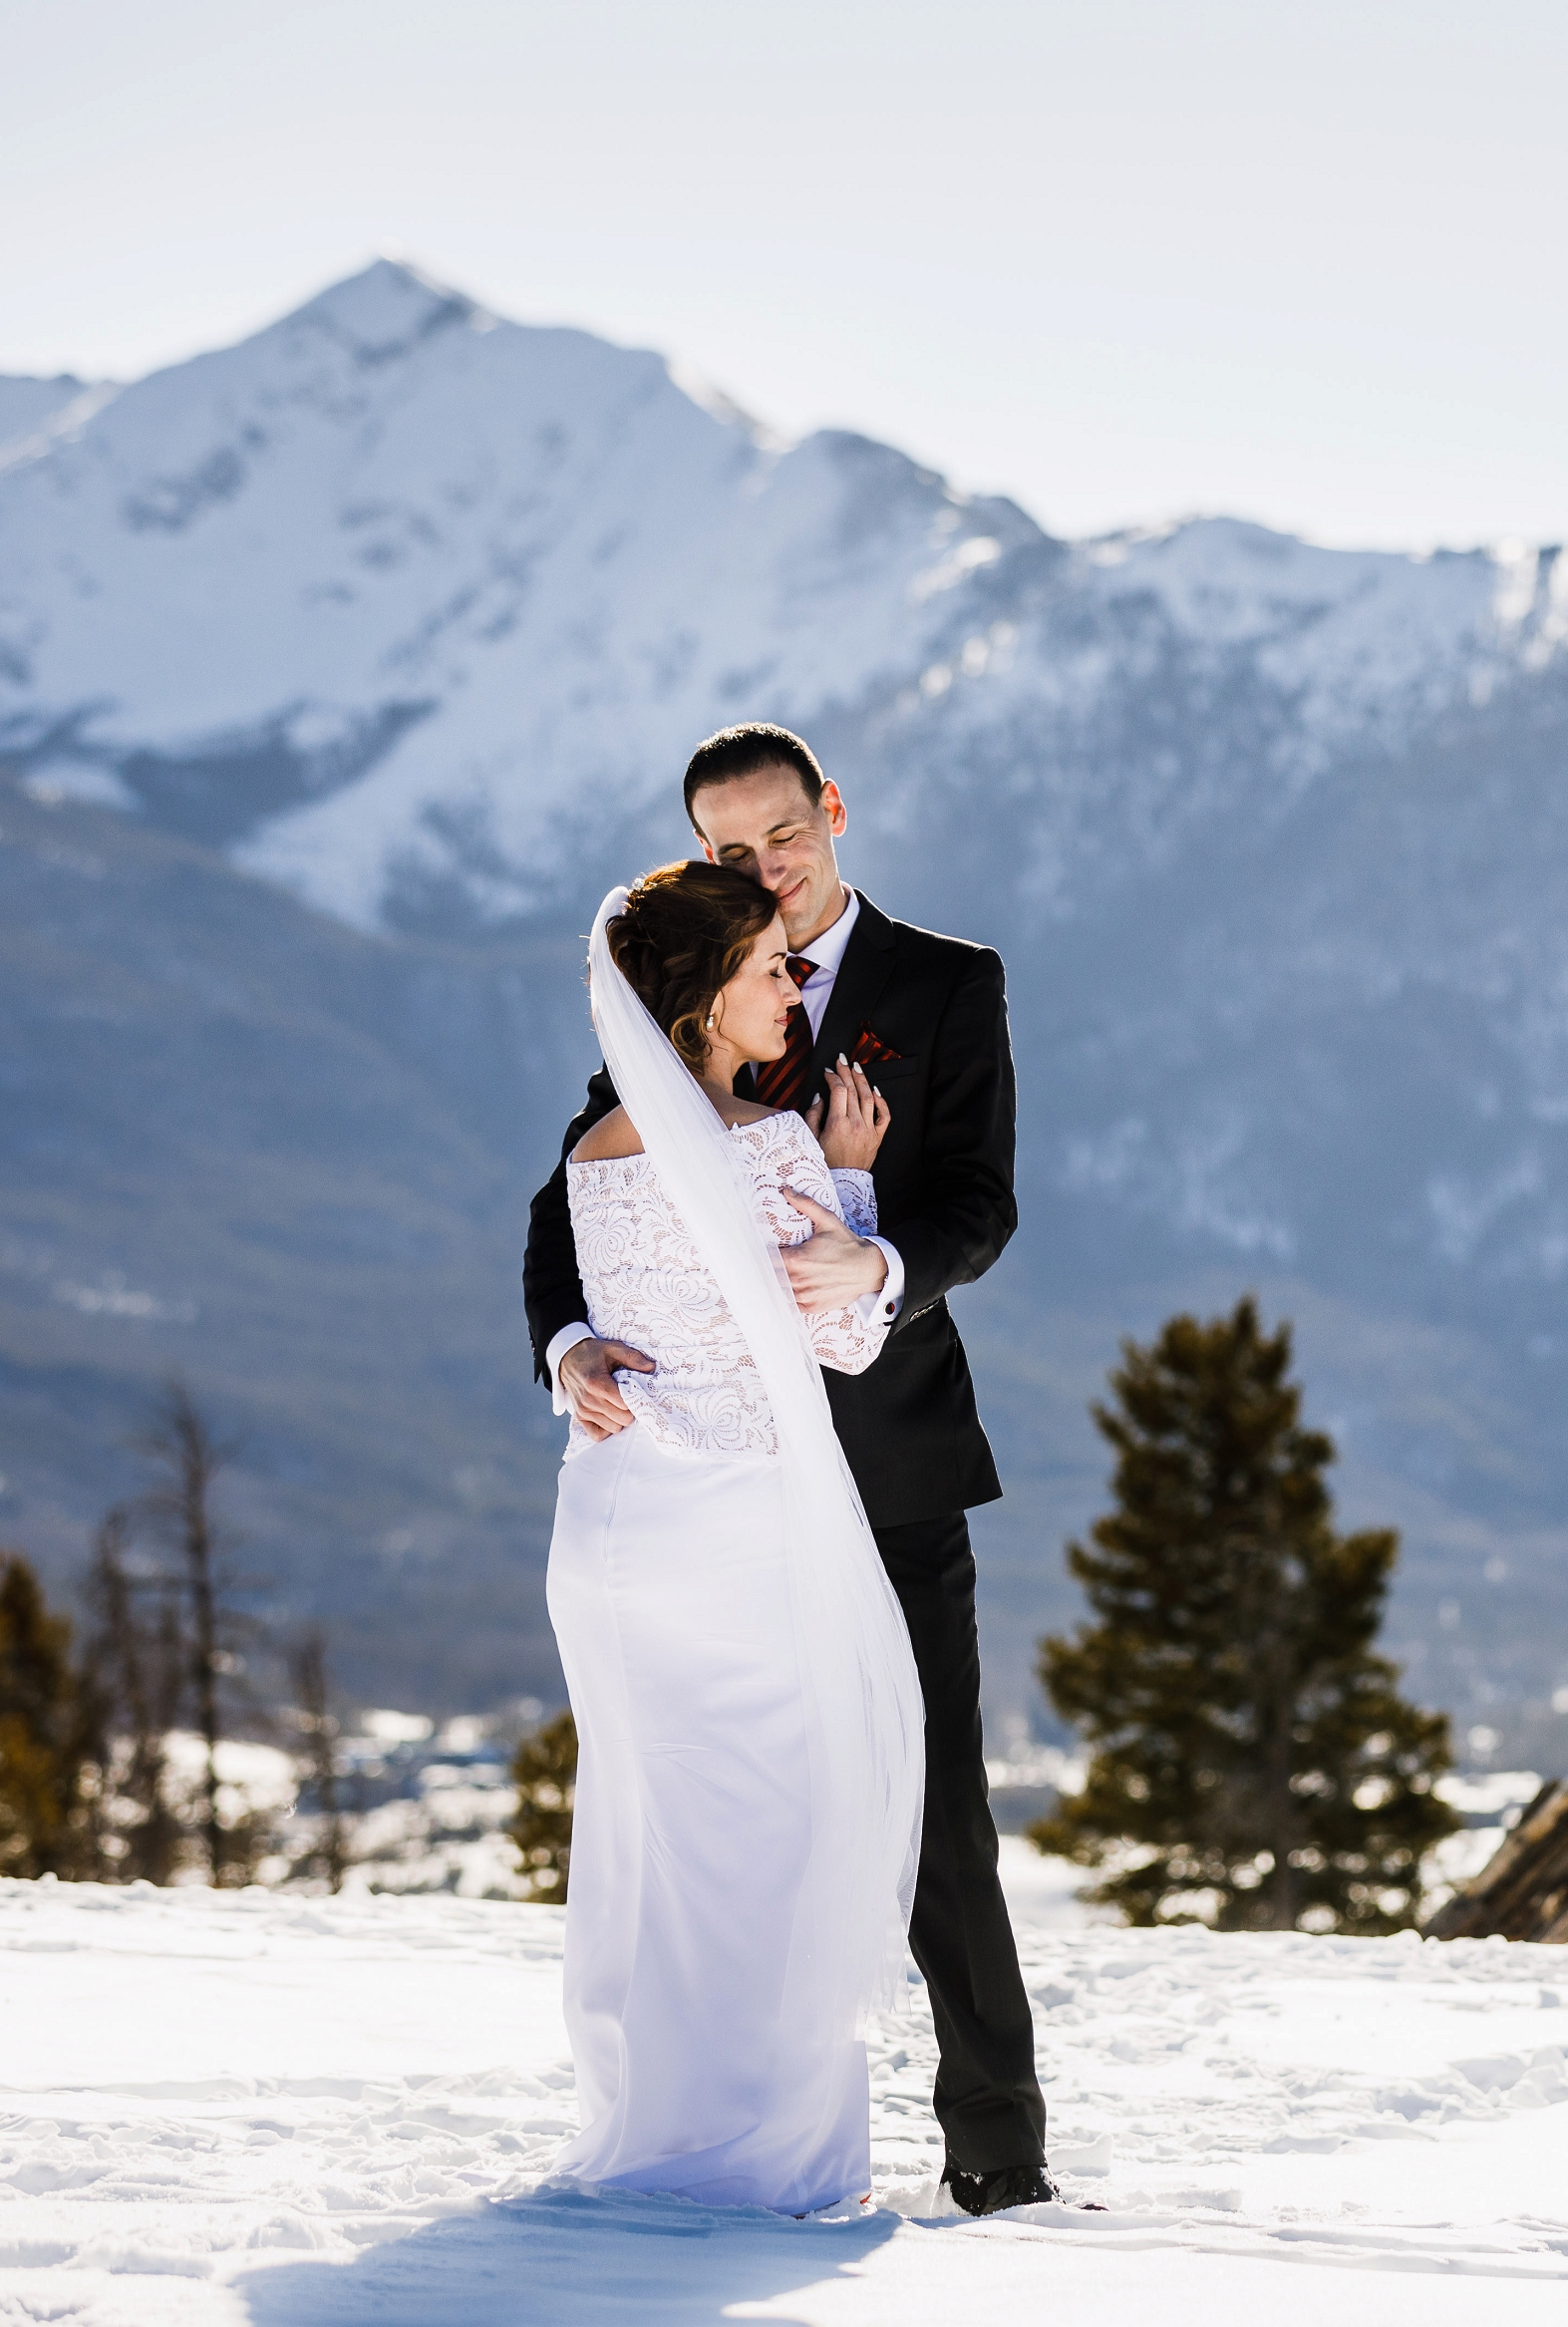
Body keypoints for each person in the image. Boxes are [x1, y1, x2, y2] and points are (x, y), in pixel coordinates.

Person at [523, 724, 1058, 2214]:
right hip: (720, 1499)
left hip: (885, 1470)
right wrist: (566, 1339)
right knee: (739, 1812)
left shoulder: (950, 983)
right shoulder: (683, 986)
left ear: (832, 811)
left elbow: (981, 1205)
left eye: (781, 835)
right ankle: (746, 2118)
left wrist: (872, 1255)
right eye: (728, 850)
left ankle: (998, 2151)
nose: (762, 868)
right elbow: (564, 1205)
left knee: (935, 1804)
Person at [544, 857, 922, 2212]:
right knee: (779, 1841)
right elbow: (844, 1335)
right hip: (735, 1538)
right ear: (704, 997)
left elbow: (617, 1301)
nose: (790, 985)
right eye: (769, 967)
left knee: (648, 1837)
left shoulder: (593, 1157)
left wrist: (572, 1345)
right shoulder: (767, 1149)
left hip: (611, 1530)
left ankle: (649, 2129)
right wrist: (855, 1183)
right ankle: (769, 2159)